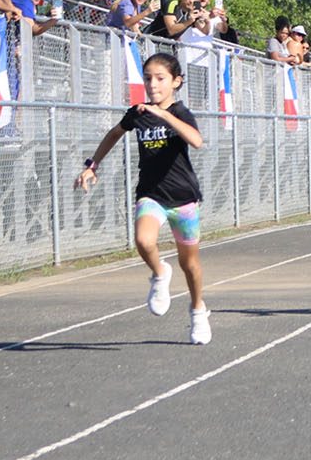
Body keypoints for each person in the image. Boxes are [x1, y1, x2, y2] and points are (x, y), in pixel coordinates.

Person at [74, 53, 211, 344]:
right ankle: (160, 273)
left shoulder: (180, 112)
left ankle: (198, 310)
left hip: (183, 198)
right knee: (144, 241)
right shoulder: (137, 113)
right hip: (151, 194)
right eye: (148, 78)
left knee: (190, 265)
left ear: (176, 82)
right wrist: (92, 166)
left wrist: (164, 115)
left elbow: (197, 141)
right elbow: (114, 134)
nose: (152, 84)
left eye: (160, 78)